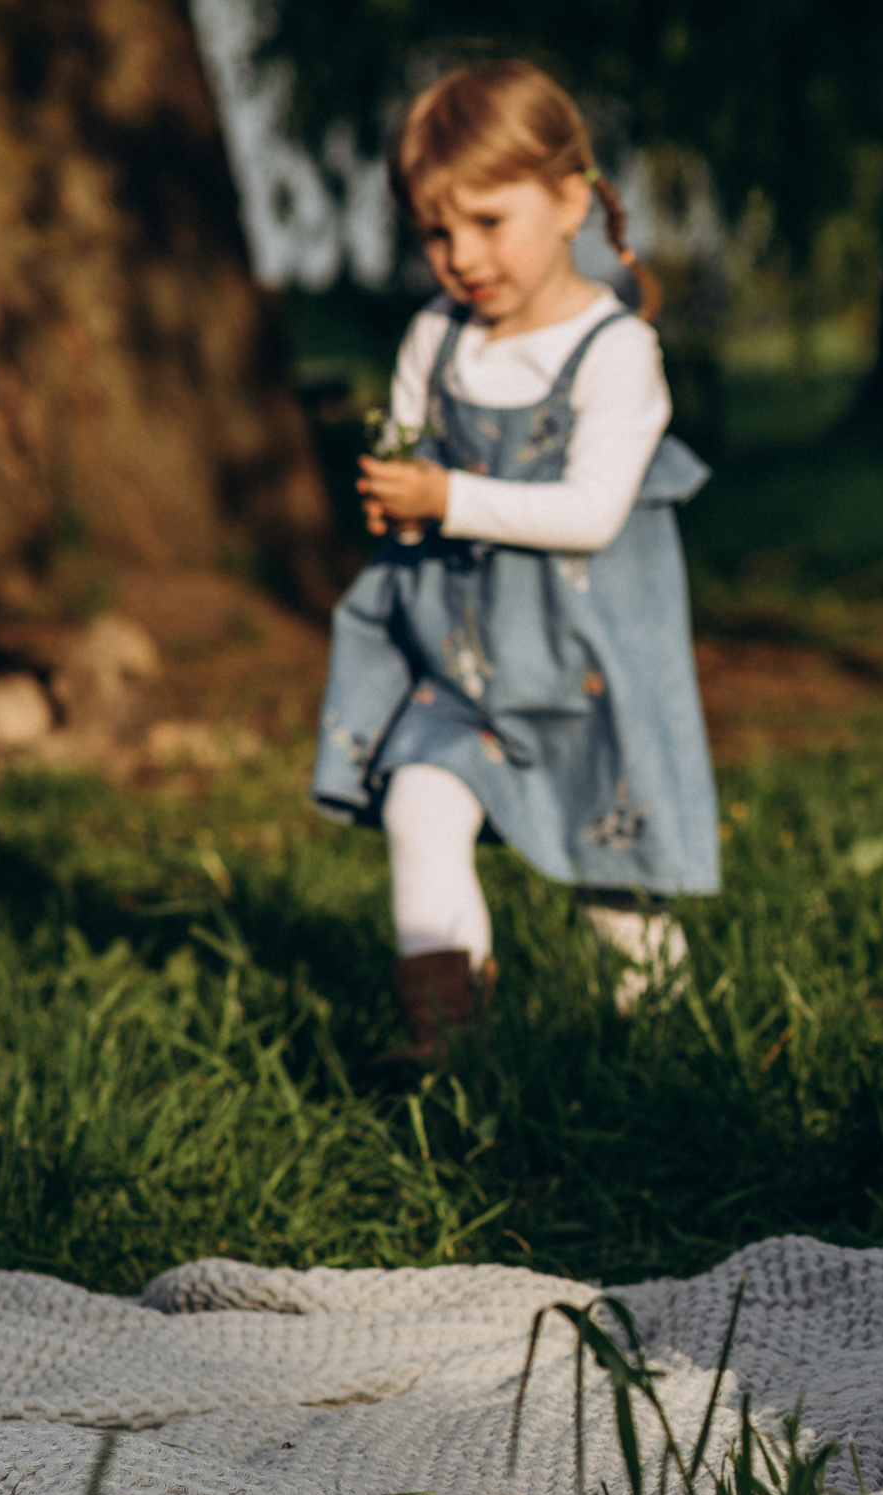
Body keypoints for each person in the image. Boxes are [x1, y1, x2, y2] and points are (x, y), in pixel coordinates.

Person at [311, 60, 717, 1056]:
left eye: (489, 222)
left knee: (612, 873)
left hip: (586, 665)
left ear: (571, 199)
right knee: (418, 801)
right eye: (437, 233)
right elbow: (411, 450)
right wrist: (399, 506)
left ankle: (663, 1055)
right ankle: (447, 1041)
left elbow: (587, 513)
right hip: (463, 660)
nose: (461, 255)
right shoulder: (437, 338)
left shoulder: (614, 352)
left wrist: (445, 497)